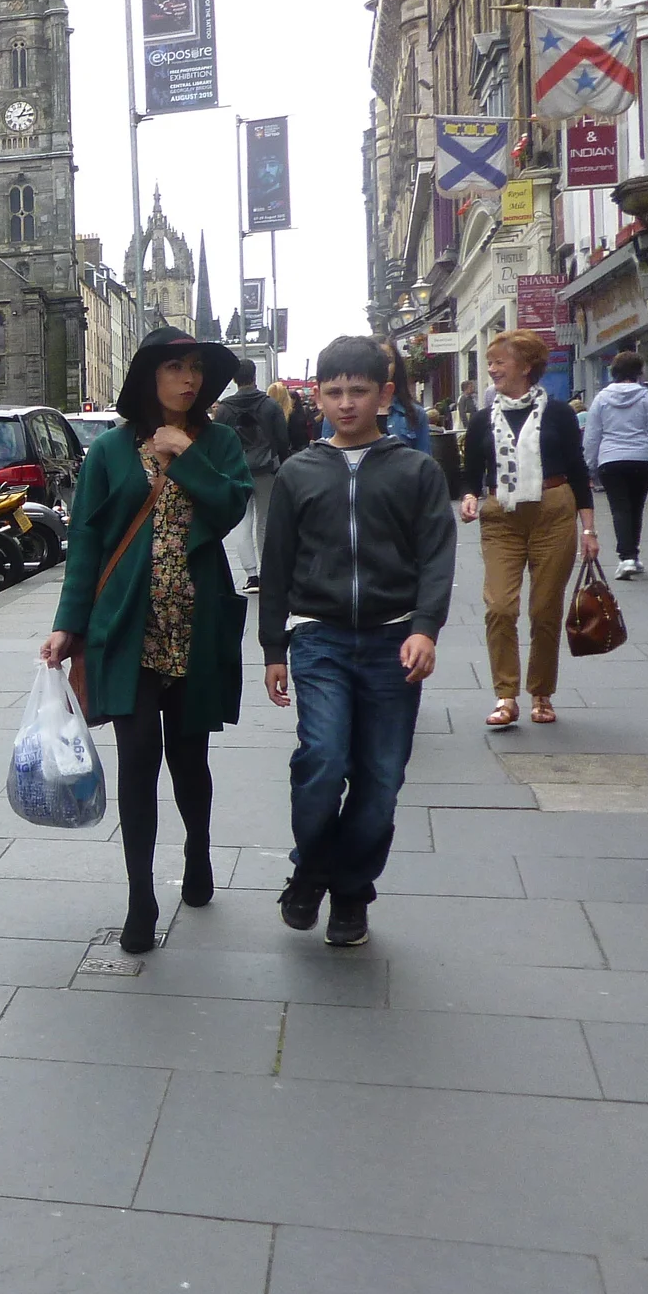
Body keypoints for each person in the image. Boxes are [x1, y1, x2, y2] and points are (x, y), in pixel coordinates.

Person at [41, 326, 251, 954]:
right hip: (127, 629)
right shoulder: (107, 450)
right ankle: (140, 898)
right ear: (149, 377)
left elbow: (231, 507)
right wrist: (66, 624)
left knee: (190, 759)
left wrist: (182, 456)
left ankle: (199, 849)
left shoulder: (217, 442)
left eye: (195, 368)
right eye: (174, 368)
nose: (187, 378)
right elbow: (87, 545)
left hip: (195, 625)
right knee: (137, 764)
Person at [259, 336, 458, 948]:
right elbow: (279, 560)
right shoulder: (300, 472)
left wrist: (425, 627)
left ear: (386, 395)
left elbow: (436, 555)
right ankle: (317, 867)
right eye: (334, 391)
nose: (346, 403)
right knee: (321, 758)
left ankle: (343, 889)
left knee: (380, 779)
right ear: (317, 396)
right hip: (317, 639)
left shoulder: (414, 470)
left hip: (392, 638)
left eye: (359, 391)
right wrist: (273, 649)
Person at [460, 330, 597, 727]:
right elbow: (470, 475)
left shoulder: (559, 415)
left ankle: (541, 692)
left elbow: (577, 470)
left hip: (554, 512)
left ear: (525, 366)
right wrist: (470, 496)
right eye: (491, 362)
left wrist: (589, 530)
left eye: (500, 361)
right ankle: (505, 695)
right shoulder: (483, 419)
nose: (492, 369)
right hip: (501, 515)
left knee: (544, 610)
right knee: (500, 606)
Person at [583, 350, 648, 579]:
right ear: (639, 373)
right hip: (642, 459)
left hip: (611, 460)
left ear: (614, 372)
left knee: (619, 508)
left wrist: (588, 468)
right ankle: (633, 556)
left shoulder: (601, 399)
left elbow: (592, 435)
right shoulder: (647, 398)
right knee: (636, 508)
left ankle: (626, 557)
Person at [215, 357, 290, 593]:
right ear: (255, 376)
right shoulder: (269, 405)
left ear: (235, 379)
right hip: (266, 470)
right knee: (265, 521)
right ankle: (268, 572)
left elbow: (217, 442)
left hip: (236, 472)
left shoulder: (225, 409)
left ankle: (251, 576)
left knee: (241, 522)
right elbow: (282, 439)